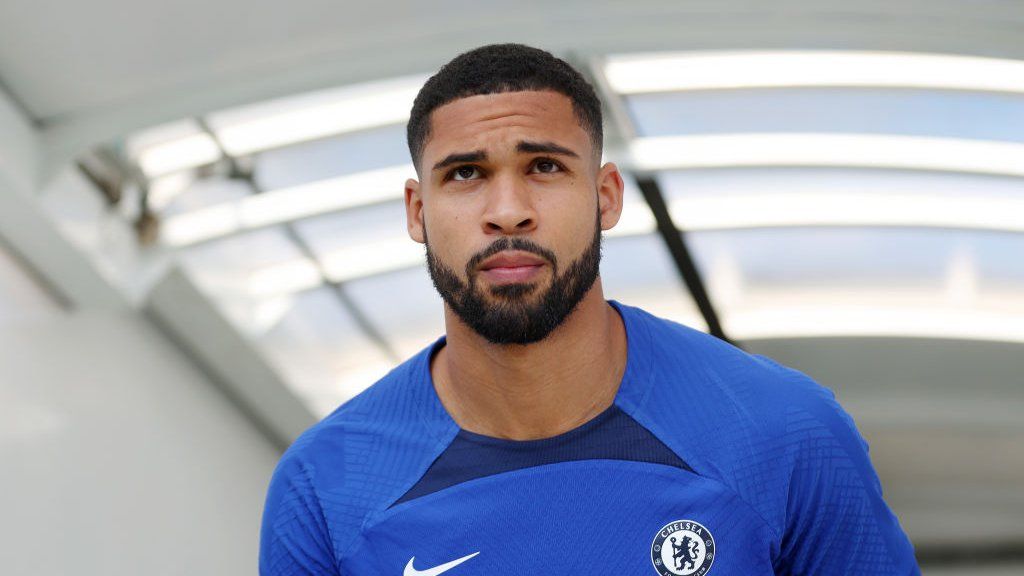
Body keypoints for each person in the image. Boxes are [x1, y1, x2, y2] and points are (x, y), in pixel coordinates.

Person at [260, 43, 920, 575]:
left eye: (544, 166)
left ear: (605, 195)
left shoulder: (784, 434)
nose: (507, 210)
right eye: (465, 174)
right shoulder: (326, 488)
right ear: (417, 211)